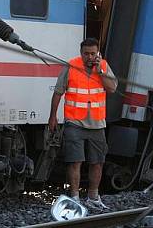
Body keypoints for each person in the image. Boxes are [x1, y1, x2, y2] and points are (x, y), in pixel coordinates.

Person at [48, 38, 117, 210]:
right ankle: (75, 198)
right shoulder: (71, 66)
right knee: (75, 161)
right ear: (81, 53)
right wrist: (53, 117)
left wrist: (100, 70)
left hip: (97, 124)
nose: (89, 57)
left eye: (93, 53)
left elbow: (112, 89)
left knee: (97, 162)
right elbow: (58, 92)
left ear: (98, 53)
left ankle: (93, 197)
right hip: (75, 122)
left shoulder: (104, 66)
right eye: (86, 53)